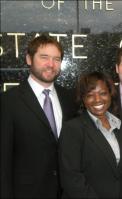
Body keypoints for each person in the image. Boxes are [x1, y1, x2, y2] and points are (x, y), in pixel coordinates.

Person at [1, 34, 76, 198]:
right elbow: (3, 162)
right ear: (29, 59)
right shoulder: (8, 102)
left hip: (66, 193)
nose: (51, 64)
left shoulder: (70, 98)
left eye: (56, 59)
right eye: (44, 57)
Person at [58, 71, 122, 198]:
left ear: (110, 94)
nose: (97, 100)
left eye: (103, 93)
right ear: (83, 98)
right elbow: (72, 179)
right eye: (90, 95)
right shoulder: (72, 129)